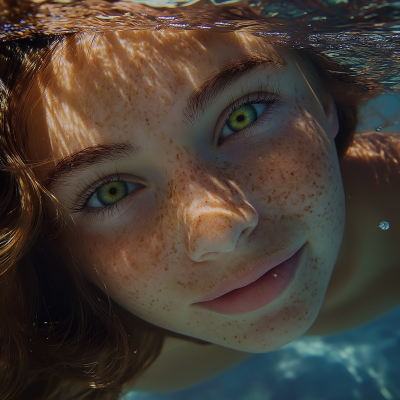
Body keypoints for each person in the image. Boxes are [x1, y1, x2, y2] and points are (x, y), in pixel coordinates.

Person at [0, 24, 399, 400]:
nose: (219, 232)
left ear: (324, 100)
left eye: (244, 116)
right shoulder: (49, 363)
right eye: (111, 192)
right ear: (51, 240)